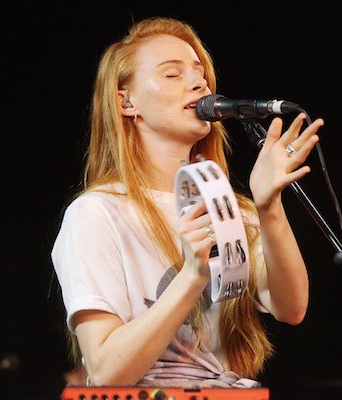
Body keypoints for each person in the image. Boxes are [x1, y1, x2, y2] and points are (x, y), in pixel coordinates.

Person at [51, 16, 324, 388]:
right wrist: (193, 275)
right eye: (172, 74)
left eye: (200, 73)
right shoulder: (97, 215)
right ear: (126, 101)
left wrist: (268, 206)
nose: (199, 83)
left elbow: (291, 307)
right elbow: (105, 372)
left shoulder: (232, 210)